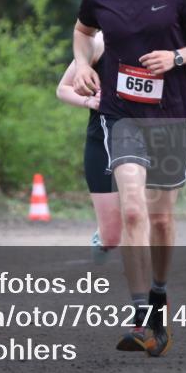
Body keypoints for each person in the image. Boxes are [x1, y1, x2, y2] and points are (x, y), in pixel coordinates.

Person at [71, 0, 186, 357]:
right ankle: (142, 318)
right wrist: (82, 64)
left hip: (171, 116)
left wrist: (176, 58)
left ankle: (159, 293)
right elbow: (83, 33)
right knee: (133, 210)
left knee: (159, 218)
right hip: (122, 117)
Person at [54, 31, 122, 261]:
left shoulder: (158, 42)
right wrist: (89, 101)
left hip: (147, 135)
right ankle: (103, 237)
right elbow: (63, 88)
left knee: (141, 212)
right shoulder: (100, 43)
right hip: (103, 139)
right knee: (112, 235)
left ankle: (146, 280)